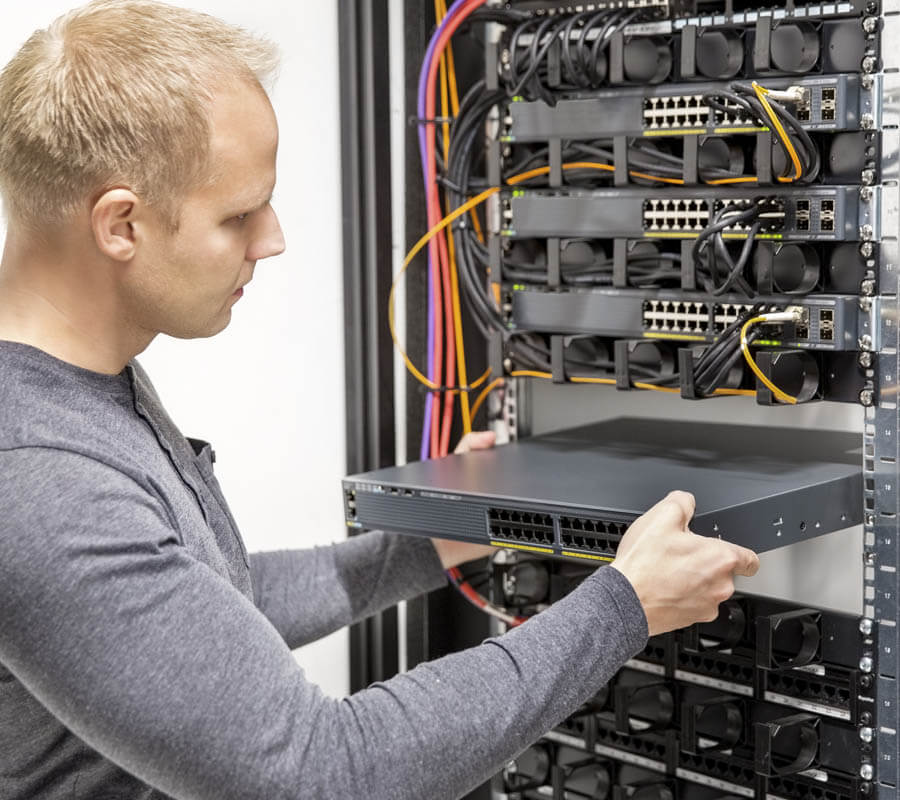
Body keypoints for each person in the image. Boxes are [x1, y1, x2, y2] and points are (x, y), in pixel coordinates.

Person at [0, 2, 760, 799]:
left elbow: (202, 606)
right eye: (238, 214)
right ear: (120, 224)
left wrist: (435, 540)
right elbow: (325, 773)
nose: (273, 238)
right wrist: (625, 605)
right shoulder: (39, 481)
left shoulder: (84, 385)